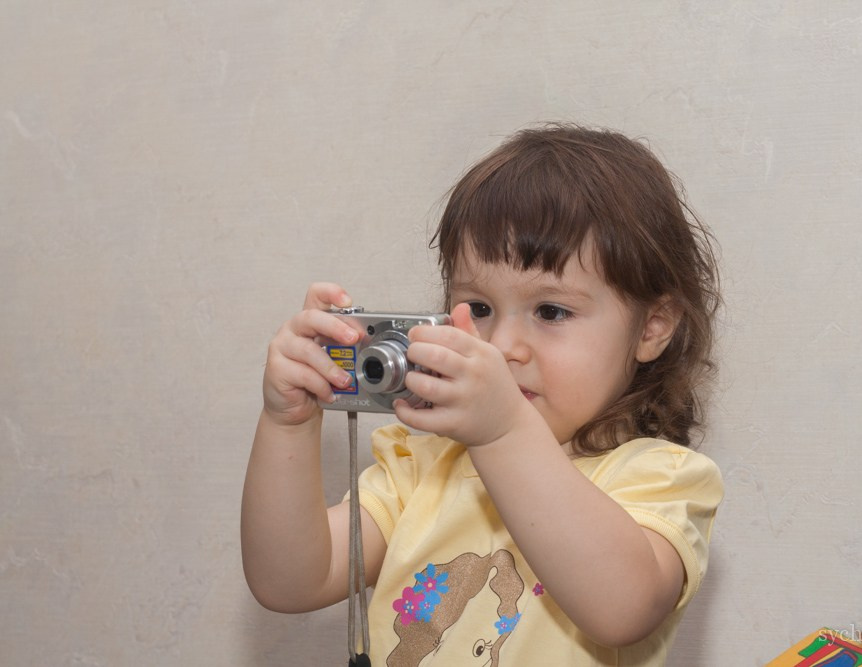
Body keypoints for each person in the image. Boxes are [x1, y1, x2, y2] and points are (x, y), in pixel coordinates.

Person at [241, 123, 725, 665]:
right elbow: (288, 582)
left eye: (551, 311)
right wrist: (288, 423)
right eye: (482, 308)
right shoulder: (422, 463)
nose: (503, 346)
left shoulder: (657, 479)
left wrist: (503, 431)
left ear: (652, 327)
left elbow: (621, 609)